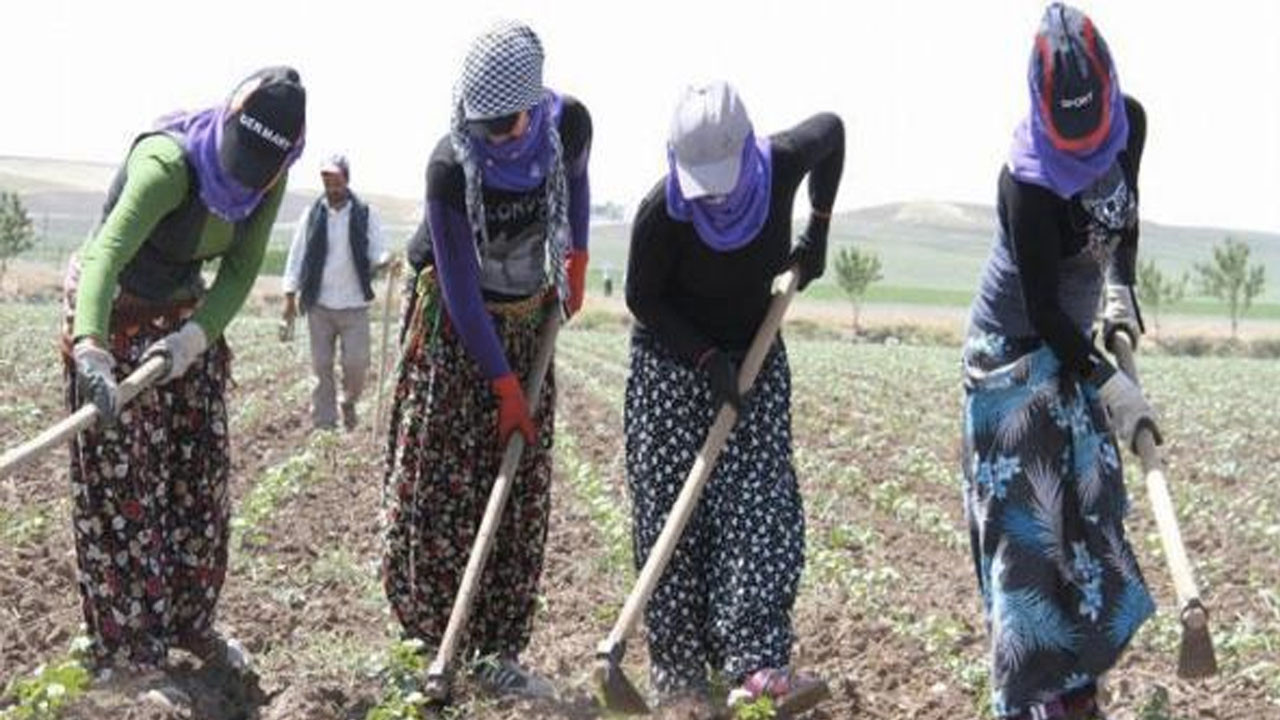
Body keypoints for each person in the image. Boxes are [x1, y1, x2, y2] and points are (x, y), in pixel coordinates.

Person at [63, 66, 305, 674]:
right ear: (226, 121)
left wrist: (194, 338)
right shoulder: (168, 166)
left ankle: (192, 627)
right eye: (239, 156)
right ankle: (129, 656)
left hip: (181, 318)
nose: (244, 174)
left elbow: (241, 270)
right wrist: (90, 346)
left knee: (199, 478)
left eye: (260, 168)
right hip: (111, 311)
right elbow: (106, 254)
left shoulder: (269, 180)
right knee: (124, 492)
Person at [381, 20, 591, 697]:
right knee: (441, 479)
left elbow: (578, 185)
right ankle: (429, 640)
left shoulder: (570, 127)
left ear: (533, 105)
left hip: (530, 316)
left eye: (507, 124)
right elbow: (460, 285)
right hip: (454, 327)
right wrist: (501, 383)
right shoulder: (451, 163)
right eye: (485, 125)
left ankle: (498, 647)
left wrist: (577, 256)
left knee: (519, 481)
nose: (495, 136)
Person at [962, 5, 1158, 719]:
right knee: (1033, 537)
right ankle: (1043, 702)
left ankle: (1078, 690)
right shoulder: (1027, 184)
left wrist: (1120, 288)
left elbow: (1124, 218)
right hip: (1011, 361)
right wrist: (1112, 387)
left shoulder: (1130, 122)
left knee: (1091, 512)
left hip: (1073, 349)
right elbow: (1042, 310)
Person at [624, 80, 843, 716]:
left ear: (749, 150)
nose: (715, 195)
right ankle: (681, 678)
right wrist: (703, 358)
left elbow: (833, 128)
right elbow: (645, 299)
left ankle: (756, 664)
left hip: (755, 356)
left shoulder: (780, 168)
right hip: (673, 366)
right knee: (672, 518)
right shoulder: (661, 212)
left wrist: (819, 228)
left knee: (760, 504)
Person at [281, 154, 391, 431]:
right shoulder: (312, 215)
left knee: (357, 365)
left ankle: (349, 400)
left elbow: (377, 249)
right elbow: (297, 256)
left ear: (346, 178)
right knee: (321, 368)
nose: (331, 184)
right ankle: (324, 424)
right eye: (326, 178)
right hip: (319, 303)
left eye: (336, 178)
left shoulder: (366, 213)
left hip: (354, 304)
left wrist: (385, 260)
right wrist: (290, 297)